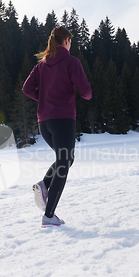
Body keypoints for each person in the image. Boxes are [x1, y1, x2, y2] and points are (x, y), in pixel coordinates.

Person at [22, 26, 92, 227]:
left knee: (66, 159)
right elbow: (86, 93)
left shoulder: (41, 66)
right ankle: (49, 215)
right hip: (63, 120)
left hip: (44, 123)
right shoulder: (72, 62)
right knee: (64, 162)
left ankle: (44, 184)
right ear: (67, 41)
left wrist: (44, 100)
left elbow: (27, 88)